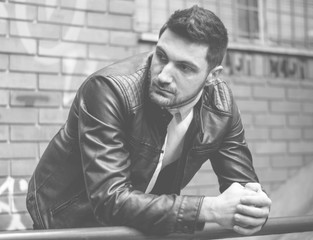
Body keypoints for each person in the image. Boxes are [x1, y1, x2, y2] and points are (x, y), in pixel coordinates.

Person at [26, 5, 271, 236]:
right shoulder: (109, 91)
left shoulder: (221, 106)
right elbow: (110, 199)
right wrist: (208, 209)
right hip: (71, 224)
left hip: (143, 226)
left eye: (184, 68)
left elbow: (242, 188)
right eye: (162, 56)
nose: (164, 76)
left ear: (211, 76)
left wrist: (253, 206)